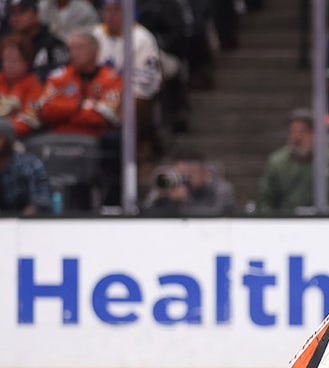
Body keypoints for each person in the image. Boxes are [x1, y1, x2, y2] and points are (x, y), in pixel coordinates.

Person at [13, 30, 121, 138]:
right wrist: (79, 106)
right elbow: (45, 109)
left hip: (95, 137)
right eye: (71, 49)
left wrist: (63, 110)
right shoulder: (60, 76)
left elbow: (105, 116)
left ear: (94, 51)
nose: (73, 53)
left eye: (79, 48)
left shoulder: (112, 78)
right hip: (59, 136)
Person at [93, 0, 163, 161]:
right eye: (107, 10)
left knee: (135, 104)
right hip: (100, 93)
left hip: (129, 95)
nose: (111, 15)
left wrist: (118, 98)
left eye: (117, 10)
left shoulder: (142, 38)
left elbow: (147, 81)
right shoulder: (96, 34)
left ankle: (141, 150)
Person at [256, 108, 329, 213]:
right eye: (292, 131)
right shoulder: (277, 161)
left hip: (320, 222)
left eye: (302, 131)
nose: (296, 137)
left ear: (313, 134)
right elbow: (265, 200)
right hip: (284, 221)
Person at [142, 149, 236, 216]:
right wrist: (161, 195)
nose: (183, 179)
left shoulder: (221, 189)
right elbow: (145, 213)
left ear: (204, 171)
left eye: (189, 174)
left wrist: (186, 201)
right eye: (179, 174)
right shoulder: (170, 188)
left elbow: (218, 214)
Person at [3, 0, 69, 81]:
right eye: (12, 13)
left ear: (37, 14)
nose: (16, 17)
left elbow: (63, 74)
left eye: (22, 11)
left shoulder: (53, 44)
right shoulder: (6, 42)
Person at [0, 118, 50, 214]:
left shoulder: (30, 164)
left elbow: (41, 200)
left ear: (9, 140)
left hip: (25, 223)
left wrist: (28, 215)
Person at [0, 35, 44, 122]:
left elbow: (29, 119)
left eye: (14, 61)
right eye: (6, 60)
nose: (9, 65)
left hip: (17, 133)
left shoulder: (35, 86)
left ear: (27, 63)